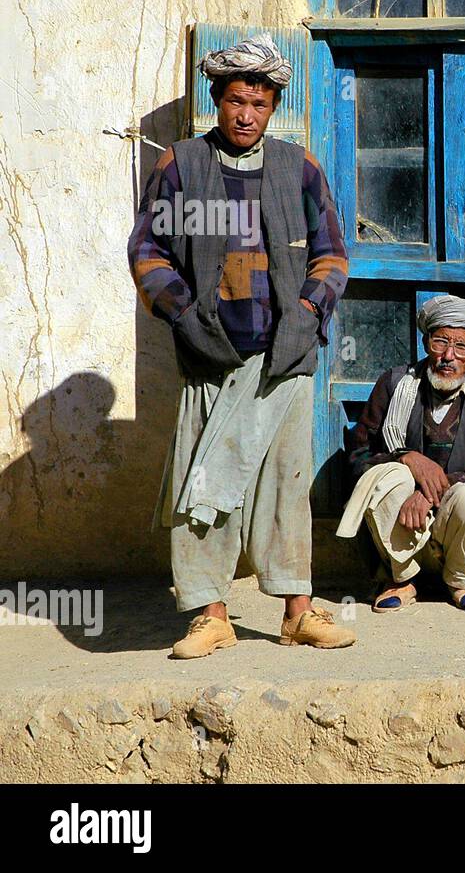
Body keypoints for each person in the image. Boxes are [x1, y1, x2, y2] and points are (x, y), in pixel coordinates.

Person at [127, 32, 355, 658]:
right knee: (206, 483)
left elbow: (332, 253)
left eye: (259, 103)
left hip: (285, 356)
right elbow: (149, 252)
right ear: (217, 100)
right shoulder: (181, 166)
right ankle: (210, 614)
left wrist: (308, 311)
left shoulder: (298, 167)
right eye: (235, 101)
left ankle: (297, 611)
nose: (246, 115)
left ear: (274, 105)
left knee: (287, 483)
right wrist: (184, 317)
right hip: (210, 356)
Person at [337, 294, 465, 611]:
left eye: (461, 347)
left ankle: (462, 579)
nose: (448, 356)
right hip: (402, 531)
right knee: (386, 476)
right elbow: (357, 456)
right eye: (440, 342)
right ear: (426, 343)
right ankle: (400, 577)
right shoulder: (395, 384)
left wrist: (432, 490)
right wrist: (406, 458)